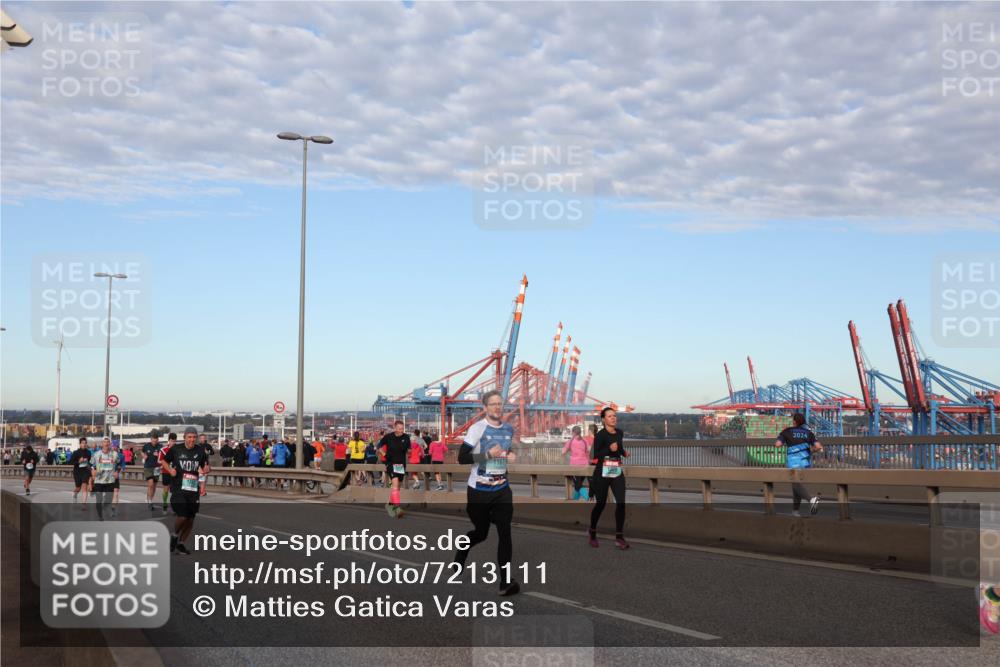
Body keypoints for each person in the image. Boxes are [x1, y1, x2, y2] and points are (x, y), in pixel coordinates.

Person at [453, 390, 520, 596]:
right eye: (493, 404)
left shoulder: (509, 429)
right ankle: (460, 557)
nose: (497, 407)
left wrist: (510, 455)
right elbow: (462, 458)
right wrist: (487, 454)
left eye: (500, 404)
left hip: (501, 490)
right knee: (480, 533)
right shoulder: (477, 428)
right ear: (485, 408)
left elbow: (504, 454)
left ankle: (505, 582)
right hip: (478, 492)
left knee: (505, 532)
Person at [161, 427, 210, 554]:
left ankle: (181, 544)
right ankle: (175, 535)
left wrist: (206, 469)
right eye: (189, 437)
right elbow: (164, 461)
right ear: (184, 437)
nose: (192, 439)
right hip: (178, 488)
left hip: (193, 489)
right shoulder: (176, 449)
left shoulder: (200, 451)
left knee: (191, 518)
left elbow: (205, 465)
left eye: (194, 437)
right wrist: (171, 470)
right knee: (183, 516)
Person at [588, 407, 630, 550]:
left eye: (615, 416)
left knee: (621, 503)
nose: (613, 418)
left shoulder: (619, 432)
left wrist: (623, 452)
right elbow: (595, 456)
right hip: (602, 472)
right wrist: (608, 450)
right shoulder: (600, 435)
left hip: (616, 470)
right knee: (601, 504)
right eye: (610, 416)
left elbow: (619, 447)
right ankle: (592, 532)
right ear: (604, 419)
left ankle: (619, 537)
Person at [775, 413, 823, 517]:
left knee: (795, 484)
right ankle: (795, 511)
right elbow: (819, 447)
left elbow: (777, 445)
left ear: (794, 421)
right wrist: (810, 451)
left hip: (793, 463)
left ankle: (811, 500)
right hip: (805, 463)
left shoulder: (787, 431)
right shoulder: (808, 433)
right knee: (796, 486)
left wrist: (783, 438)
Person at [379, 421, 410, 517]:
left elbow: (408, 450)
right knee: (395, 485)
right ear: (395, 428)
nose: (401, 430)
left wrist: (410, 452)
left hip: (400, 465)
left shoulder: (406, 437)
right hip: (391, 463)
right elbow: (378, 446)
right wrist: (384, 454)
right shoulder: (388, 437)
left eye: (402, 428)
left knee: (397, 488)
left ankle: (390, 504)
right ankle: (397, 509)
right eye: (399, 428)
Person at [91, 438, 120, 520]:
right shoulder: (96, 454)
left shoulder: (114, 454)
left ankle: (104, 508)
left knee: (108, 499)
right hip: (99, 480)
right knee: (99, 499)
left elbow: (119, 464)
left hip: (110, 480)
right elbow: (91, 464)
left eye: (108, 442)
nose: (106, 443)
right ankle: (100, 517)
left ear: (110, 443)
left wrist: (117, 471)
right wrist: (93, 470)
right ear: (102, 443)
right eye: (104, 442)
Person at [562, 426, 591, 500]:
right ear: (580, 432)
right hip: (585, 466)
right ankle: (575, 500)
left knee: (578, 485)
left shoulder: (571, 441)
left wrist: (568, 450)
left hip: (574, 466)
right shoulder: (585, 441)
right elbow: (589, 450)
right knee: (578, 484)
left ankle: (588, 498)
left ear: (573, 432)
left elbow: (563, 452)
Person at [69, 437, 93, 509]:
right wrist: (78, 462)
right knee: (78, 488)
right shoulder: (76, 453)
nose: (84, 444)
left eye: (85, 443)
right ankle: (75, 494)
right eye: (83, 443)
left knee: (84, 487)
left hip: (85, 471)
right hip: (77, 472)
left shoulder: (88, 452)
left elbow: (89, 462)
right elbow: (70, 462)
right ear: (80, 444)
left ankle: (84, 504)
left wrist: (91, 467)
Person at [158, 433, 178, 512]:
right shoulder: (163, 450)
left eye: (174, 441)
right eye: (172, 441)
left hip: (175, 472)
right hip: (166, 472)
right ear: (169, 440)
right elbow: (159, 460)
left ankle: (174, 507)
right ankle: (165, 503)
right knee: (166, 489)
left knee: (175, 490)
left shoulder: (178, 449)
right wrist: (167, 463)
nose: (173, 442)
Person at [111, 441, 126, 517]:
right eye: (113, 446)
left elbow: (123, 466)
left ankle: (114, 510)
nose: (114, 447)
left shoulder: (121, 456)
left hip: (116, 476)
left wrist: (120, 471)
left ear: (117, 447)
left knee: (116, 493)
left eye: (115, 446)